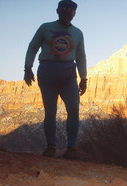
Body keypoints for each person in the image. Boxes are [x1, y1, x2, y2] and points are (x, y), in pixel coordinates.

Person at [23, 0, 87, 159]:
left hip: (68, 76)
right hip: (47, 74)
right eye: (64, 8)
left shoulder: (78, 33)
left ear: (74, 13)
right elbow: (33, 47)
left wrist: (84, 78)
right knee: (50, 112)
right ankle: (51, 146)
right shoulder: (45, 27)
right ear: (57, 11)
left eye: (71, 9)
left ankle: (72, 148)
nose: (67, 12)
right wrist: (27, 68)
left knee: (74, 110)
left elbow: (81, 56)